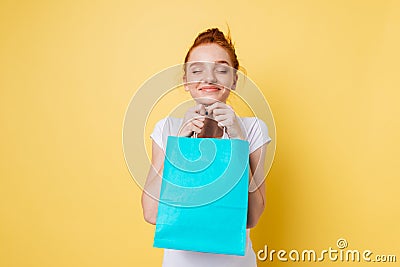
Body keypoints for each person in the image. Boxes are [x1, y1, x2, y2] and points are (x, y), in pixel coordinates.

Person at [141, 28, 271, 267]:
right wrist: (179, 147)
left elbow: (251, 217)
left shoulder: (253, 129)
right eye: (198, 69)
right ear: (186, 82)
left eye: (221, 69)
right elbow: (150, 213)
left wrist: (238, 142)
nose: (209, 79)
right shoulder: (167, 128)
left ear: (234, 80)